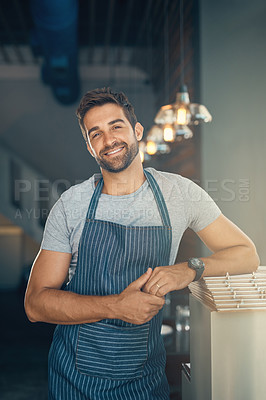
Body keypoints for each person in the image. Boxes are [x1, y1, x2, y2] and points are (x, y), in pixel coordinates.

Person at [25, 87, 259, 399]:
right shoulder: (71, 205)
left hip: (144, 380)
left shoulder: (180, 194)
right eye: (96, 134)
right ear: (89, 146)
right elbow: (35, 304)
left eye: (116, 127)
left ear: (137, 131)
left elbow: (247, 255)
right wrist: (116, 307)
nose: (108, 140)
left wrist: (189, 270)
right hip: (76, 381)